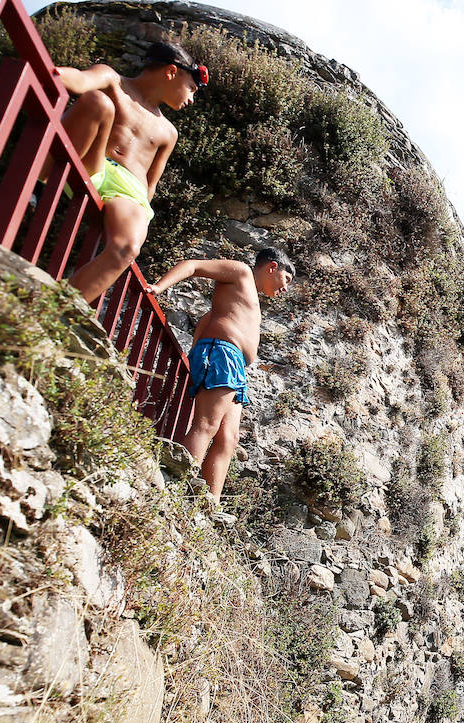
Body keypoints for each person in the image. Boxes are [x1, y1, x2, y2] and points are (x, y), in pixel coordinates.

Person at [49, 41, 206, 303]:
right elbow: (79, 79)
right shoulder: (113, 81)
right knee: (98, 101)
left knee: (128, 247)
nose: (191, 98)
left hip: (129, 190)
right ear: (171, 72)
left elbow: (151, 184)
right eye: (191, 88)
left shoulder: (169, 132)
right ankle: (48, 165)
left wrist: (137, 220)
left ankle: (54, 309)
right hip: (92, 163)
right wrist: (53, 72)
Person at [151, 247, 294, 498]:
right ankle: (173, 489)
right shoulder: (241, 273)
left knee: (229, 438)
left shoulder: (247, 297)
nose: (286, 288)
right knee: (206, 424)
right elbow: (192, 264)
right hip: (223, 354)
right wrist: (159, 287)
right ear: (272, 267)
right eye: (286, 279)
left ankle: (208, 506)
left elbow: (210, 318)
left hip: (234, 364)